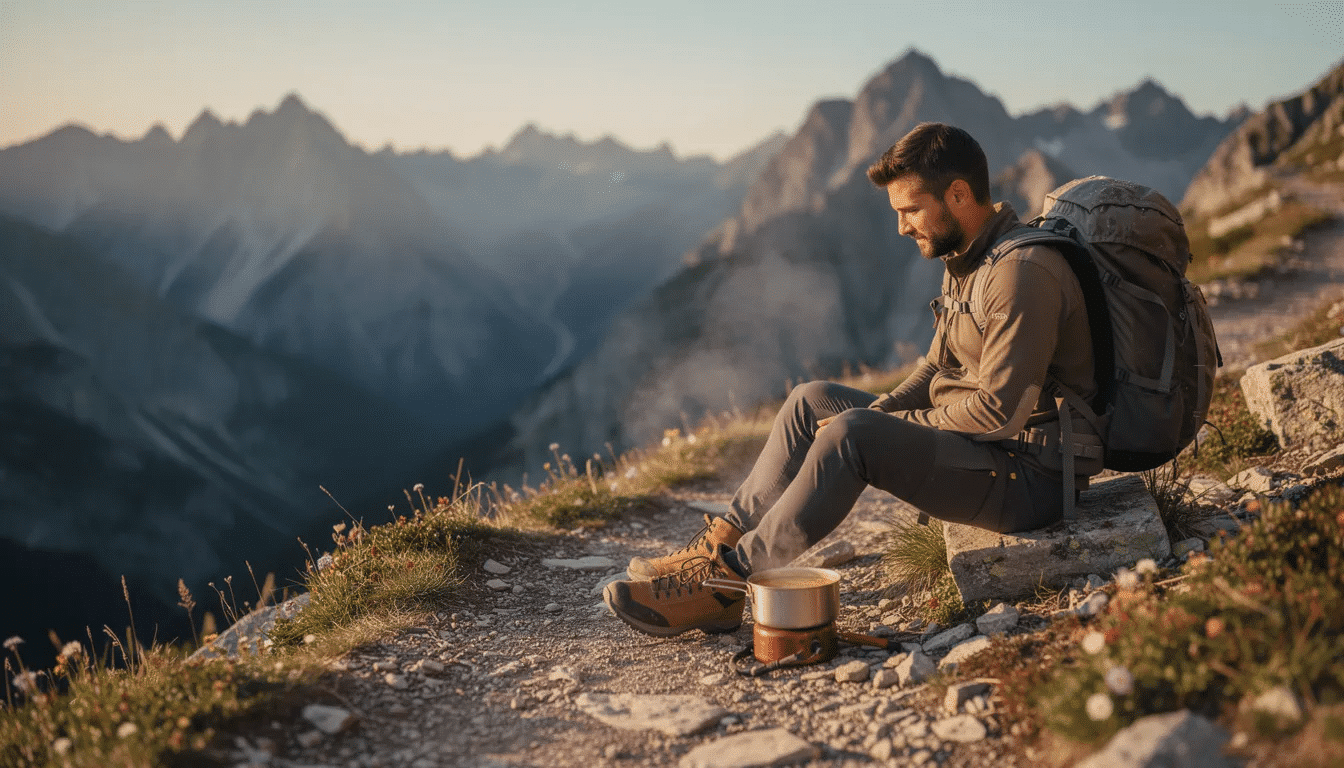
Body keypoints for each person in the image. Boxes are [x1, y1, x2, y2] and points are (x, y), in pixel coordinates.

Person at [603, 122, 1104, 638]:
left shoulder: (1021, 272)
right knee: (811, 400)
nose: (902, 227)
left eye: (910, 209)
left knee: (851, 436)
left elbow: (1000, 412)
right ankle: (719, 545)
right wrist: (884, 411)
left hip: (1030, 478)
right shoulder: (970, 259)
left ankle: (725, 585)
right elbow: (935, 370)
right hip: (989, 452)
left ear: (958, 195)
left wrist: (876, 424)